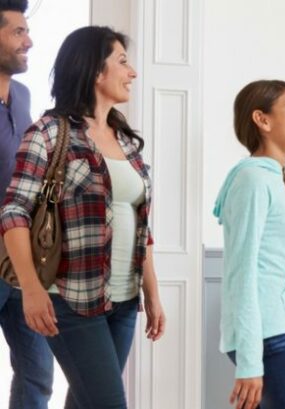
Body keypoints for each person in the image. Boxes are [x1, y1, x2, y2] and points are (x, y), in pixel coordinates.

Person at [0, 26, 166, 409]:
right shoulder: (48, 132)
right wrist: (31, 288)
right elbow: (13, 211)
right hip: (72, 300)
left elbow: (143, 226)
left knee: (86, 402)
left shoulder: (124, 139)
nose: (133, 72)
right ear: (95, 70)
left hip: (123, 300)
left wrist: (152, 294)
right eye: (122, 62)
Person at [213, 79, 285, 409]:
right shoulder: (253, 180)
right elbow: (241, 273)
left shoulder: (268, 178)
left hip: (269, 333)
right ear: (263, 120)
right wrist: (251, 363)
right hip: (264, 337)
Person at [0, 0, 55, 409]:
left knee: (37, 370)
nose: (29, 42)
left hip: (22, 258)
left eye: (28, 31)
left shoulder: (21, 95)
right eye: (18, 31)